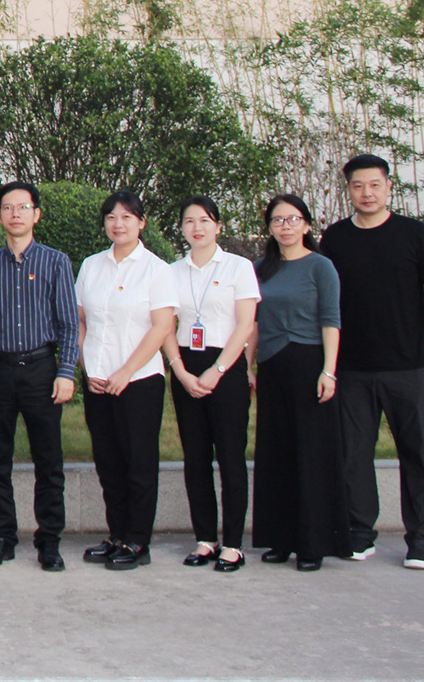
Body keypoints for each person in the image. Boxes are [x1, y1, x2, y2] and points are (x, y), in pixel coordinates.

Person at [320, 153, 424, 570]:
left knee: (417, 455)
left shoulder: (414, 234)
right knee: (354, 457)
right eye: (358, 186)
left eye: (375, 185)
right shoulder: (335, 238)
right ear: (349, 190)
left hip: (407, 367)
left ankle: (421, 541)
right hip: (352, 368)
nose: (367, 193)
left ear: (389, 187)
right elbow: (326, 301)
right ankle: (360, 533)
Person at [0, 180, 78, 571]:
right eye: (8, 208)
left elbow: (68, 324)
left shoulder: (56, 262)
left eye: (23, 207)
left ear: (36, 214)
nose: (15, 214)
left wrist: (66, 371)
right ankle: (2, 537)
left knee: (49, 461)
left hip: (41, 371)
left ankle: (50, 541)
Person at [74, 190, 177, 571]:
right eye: (111, 217)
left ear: (141, 222)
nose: (118, 224)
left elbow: (161, 327)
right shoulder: (91, 266)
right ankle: (116, 534)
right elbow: (80, 321)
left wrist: (125, 372)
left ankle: (137, 540)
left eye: (127, 217)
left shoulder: (156, 270)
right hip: (98, 382)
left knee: (138, 463)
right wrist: (88, 367)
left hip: (139, 382)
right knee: (108, 462)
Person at [161, 195, 259, 573]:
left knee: (231, 457)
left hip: (227, 367)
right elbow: (165, 326)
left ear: (218, 226)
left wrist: (217, 370)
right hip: (186, 367)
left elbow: (246, 324)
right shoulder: (171, 272)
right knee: (196, 457)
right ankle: (205, 539)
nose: (197, 228)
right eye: (189, 221)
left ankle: (233, 544)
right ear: (181, 228)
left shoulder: (238, 267)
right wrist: (180, 370)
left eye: (204, 220)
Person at [251, 193, 345, 571]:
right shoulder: (260, 268)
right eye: (278, 220)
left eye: (292, 219)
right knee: (276, 454)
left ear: (306, 225)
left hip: (309, 366)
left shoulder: (321, 267)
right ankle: (280, 539)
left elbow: (331, 321)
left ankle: (312, 544)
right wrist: (247, 366)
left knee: (311, 455)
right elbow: (253, 322)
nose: (285, 226)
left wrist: (329, 370)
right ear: (270, 228)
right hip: (271, 366)